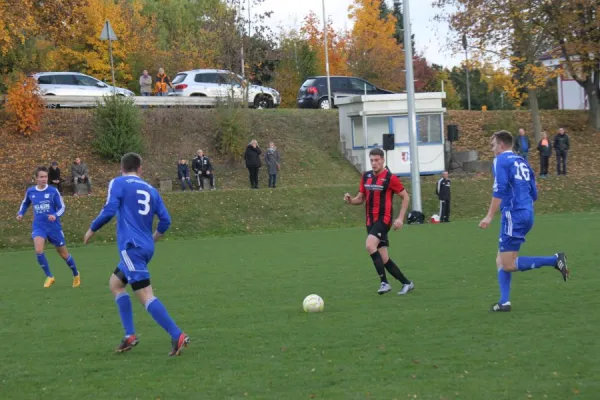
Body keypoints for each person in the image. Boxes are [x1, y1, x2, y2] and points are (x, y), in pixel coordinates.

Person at [83, 152, 189, 356]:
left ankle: (177, 335)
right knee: (116, 284)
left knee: (145, 295)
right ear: (140, 169)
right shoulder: (151, 189)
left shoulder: (118, 182)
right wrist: (153, 238)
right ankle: (129, 335)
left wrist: (92, 229)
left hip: (131, 248)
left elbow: (109, 209)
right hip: (144, 248)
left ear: (121, 168)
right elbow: (166, 221)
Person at [479, 130, 569, 312]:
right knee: (501, 259)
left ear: (502, 145)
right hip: (527, 212)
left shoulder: (500, 161)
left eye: (493, 145)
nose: (492, 148)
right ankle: (504, 302)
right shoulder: (523, 162)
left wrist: (489, 215)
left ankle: (554, 260)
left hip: (514, 214)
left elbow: (500, 189)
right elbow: (534, 193)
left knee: (508, 264)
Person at [343, 148, 414, 295]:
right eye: (372, 160)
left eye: (376, 160)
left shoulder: (390, 178)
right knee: (384, 258)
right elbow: (360, 198)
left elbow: (405, 197)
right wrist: (351, 200)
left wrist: (400, 218)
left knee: (369, 245)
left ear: (382, 160)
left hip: (384, 220)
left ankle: (384, 283)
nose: (374, 163)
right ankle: (407, 283)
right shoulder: (366, 176)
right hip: (370, 221)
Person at [16, 167, 80, 288]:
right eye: (41, 177)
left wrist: (55, 215)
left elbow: (62, 207)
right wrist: (20, 214)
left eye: (45, 176)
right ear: (36, 178)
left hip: (53, 227)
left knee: (64, 255)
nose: (44, 179)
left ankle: (76, 274)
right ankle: (50, 276)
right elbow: (25, 203)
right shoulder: (31, 192)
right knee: (38, 250)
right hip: (39, 226)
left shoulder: (53, 191)